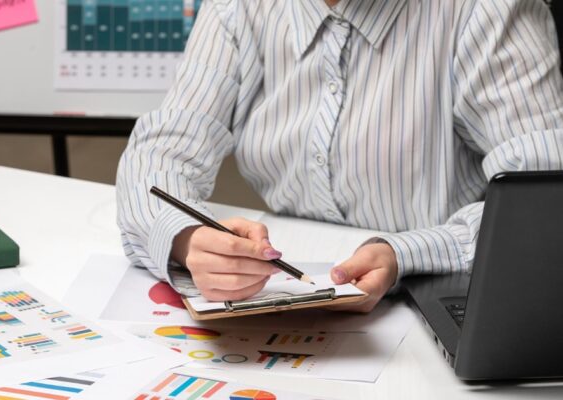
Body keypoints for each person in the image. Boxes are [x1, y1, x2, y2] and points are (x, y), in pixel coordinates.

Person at [115, 0, 563, 312]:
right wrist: (188, 238)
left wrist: (407, 253)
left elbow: (545, 206)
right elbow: (159, 154)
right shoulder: (239, 8)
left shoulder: (486, 11)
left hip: (446, 294)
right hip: (290, 296)